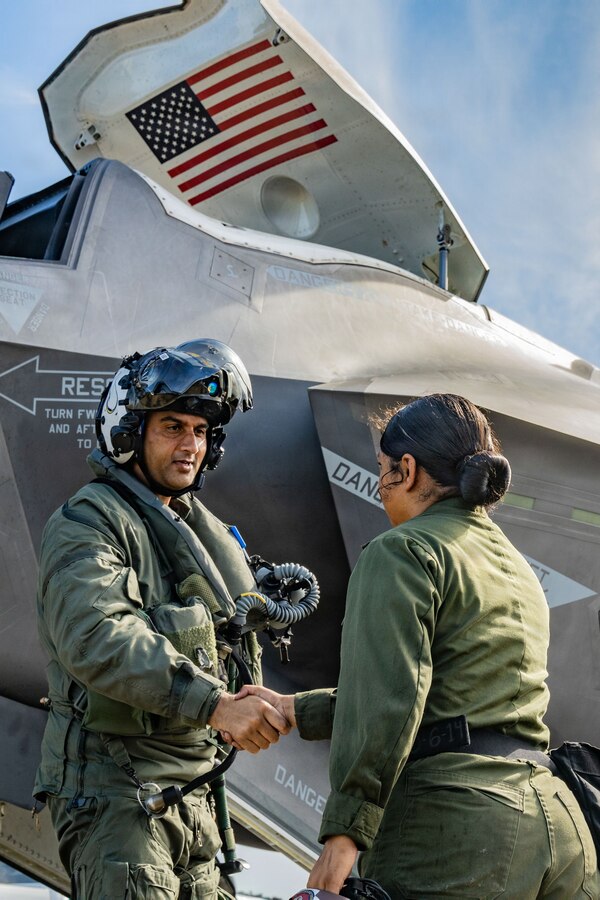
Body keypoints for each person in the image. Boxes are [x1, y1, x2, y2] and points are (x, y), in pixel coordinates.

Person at [239, 393, 600, 898]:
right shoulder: (516, 566)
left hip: (459, 826)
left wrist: (342, 839)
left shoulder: (403, 551)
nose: (381, 488)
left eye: (382, 470)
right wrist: (295, 709)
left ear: (406, 469)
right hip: (559, 829)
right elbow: (441, 699)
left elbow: (389, 700)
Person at [33, 340, 291, 899]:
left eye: (200, 432)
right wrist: (218, 706)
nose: (190, 446)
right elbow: (97, 637)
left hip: (193, 800)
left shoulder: (196, 532)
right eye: (172, 426)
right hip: (118, 799)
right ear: (131, 432)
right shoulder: (89, 522)